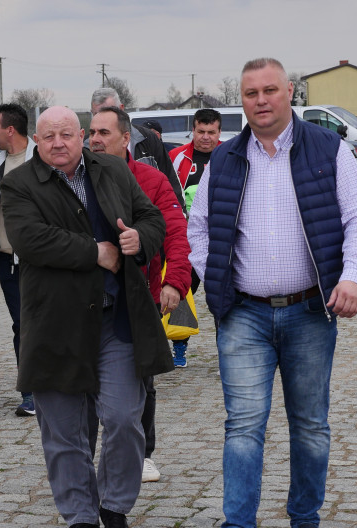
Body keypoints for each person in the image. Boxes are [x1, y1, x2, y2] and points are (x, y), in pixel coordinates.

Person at [188, 58, 357, 528]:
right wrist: (216, 281)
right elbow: (199, 230)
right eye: (250, 92)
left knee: (310, 425)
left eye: (270, 89)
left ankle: (305, 518)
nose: (261, 100)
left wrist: (353, 276)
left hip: (310, 311)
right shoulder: (225, 159)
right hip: (244, 314)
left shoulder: (327, 149)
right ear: (242, 99)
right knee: (244, 424)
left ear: (289, 92)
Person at [1, 106, 172, 528]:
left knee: (121, 418)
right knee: (62, 430)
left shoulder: (114, 170)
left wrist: (139, 240)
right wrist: (95, 251)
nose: (57, 143)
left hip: (115, 320)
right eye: (48, 136)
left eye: (65, 134)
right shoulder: (19, 183)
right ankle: (80, 516)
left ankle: (114, 507)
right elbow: (29, 239)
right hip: (55, 325)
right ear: (36, 141)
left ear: (81, 136)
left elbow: (153, 219)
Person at [88, 105, 191, 484]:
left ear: (125, 138)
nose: (95, 140)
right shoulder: (74, 179)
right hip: (85, 301)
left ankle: (143, 452)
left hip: (139, 298)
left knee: (141, 377)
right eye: (91, 132)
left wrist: (174, 282)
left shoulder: (150, 179)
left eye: (104, 133)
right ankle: (86, 455)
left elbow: (176, 232)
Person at [0, 104, 36, 417]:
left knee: (41, 324)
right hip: (6, 260)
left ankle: (52, 387)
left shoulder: (41, 159)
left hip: (38, 261)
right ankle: (29, 392)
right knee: (20, 325)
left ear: (10, 130)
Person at [168, 107, 223, 368]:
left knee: (223, 295)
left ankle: (228, 348)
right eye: (201, 131)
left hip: (221, 240)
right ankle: (179, 347)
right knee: (182, 292)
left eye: (211, 132)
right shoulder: (176, 158)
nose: (206, 137)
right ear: (193, 130)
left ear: (219, 132)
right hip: (186, 239)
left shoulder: (229, 155)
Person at [90, 88, 185, 207]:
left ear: (122, 108)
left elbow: (170, 179)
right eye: (96, 114)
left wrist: (179, 213)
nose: (102, 119)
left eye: (110, 112)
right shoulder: (85, 148)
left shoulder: (147, 139)